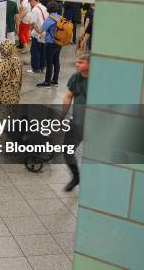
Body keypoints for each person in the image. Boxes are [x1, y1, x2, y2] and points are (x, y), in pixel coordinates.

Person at [61, 52, 89, 192]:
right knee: (67, 149)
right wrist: (62, 116)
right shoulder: (75, 78)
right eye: (77, 62)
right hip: (77, 121)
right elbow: (68, 97)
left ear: (90, 65)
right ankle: (76, 176)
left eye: (81, 62)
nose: (77, 64)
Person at [0, 39, 23, 108]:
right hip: (14, 99)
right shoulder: (17, 61)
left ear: (1, 49)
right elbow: (20, 81)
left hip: (1, 101)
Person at [37, 1, 63, 87]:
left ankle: (47, 82)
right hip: (59, 42)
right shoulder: (60, 17)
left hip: (50, 44)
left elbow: (40, 31)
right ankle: (55, 80)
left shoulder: (50, 19)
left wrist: (34, 26)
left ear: (48, 9)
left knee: (49, 63)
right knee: (56, 62)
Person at [27, 0, 48, 75]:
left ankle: (35, 68)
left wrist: (30, 31)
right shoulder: (44, 7)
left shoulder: (35, 9)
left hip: (37, 33)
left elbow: (33, 22)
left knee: (35, 51)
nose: (30, 5)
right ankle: (42, 67)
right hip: (45, 32)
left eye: (30, 3)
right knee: (43, 51)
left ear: (33, 1)